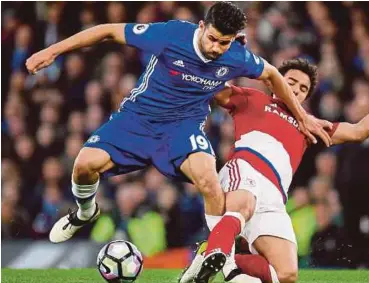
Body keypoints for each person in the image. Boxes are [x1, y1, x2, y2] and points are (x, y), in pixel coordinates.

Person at [25, 2, 332, 243]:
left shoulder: (237, 56)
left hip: (182, 128)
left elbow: (272, 75)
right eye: (212, 38)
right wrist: (53, 51)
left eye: (223, 43)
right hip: (138, 119)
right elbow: (107, 30)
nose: (215, 48)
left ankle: (216, 257)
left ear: (233, 40)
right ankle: (84, 212)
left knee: (210, 183)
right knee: (83, 166)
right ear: (201, 27)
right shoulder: (172, 35)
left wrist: (302, 116)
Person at [180, 60, 369, 283]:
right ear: (274, 82)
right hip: (245, 170)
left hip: (274, 197)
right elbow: (213, 87)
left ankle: (211, 255)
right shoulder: (252, 99)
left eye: (303, 88)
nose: (296, 90)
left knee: (286, 274)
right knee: (243, 203)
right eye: (291, 82)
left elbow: (360, 130)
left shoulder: (310, 124)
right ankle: (226, 260)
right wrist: (232, 57)